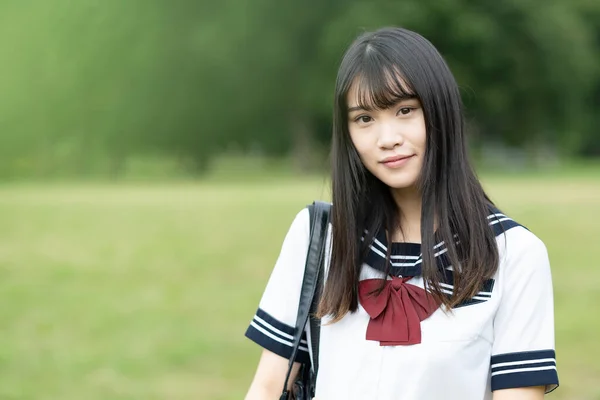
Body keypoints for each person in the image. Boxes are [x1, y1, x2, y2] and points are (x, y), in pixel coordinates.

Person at [243, 27, 559, 400]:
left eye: (405, 110)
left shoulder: (513, 254)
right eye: (364, 119)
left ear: (441, 111)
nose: (387, 137)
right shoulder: (321, 237)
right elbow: (267, 388)